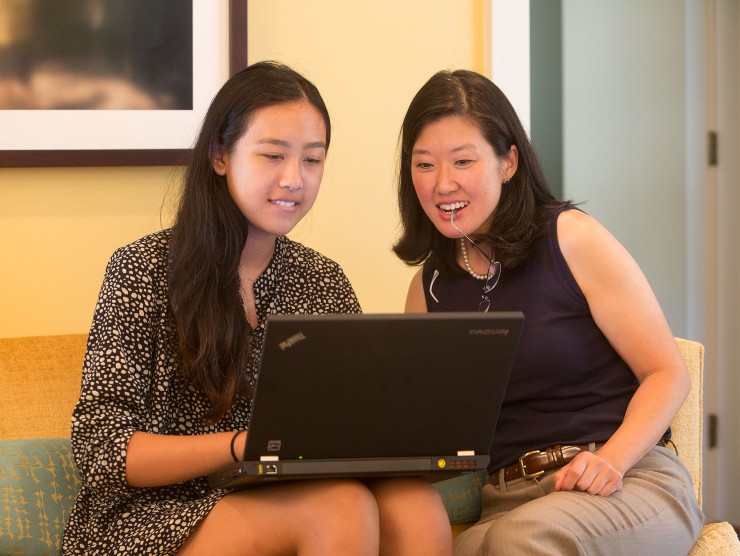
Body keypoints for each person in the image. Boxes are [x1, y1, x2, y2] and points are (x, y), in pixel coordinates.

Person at [62, 61, 453, 556]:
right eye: (273, 155)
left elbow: (348, 424)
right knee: (341, 507)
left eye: (313, 161)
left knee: (413, 505)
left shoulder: (323, 283)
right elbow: (102, 449)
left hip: (273, 494)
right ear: (220, 155)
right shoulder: (142, 270)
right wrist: (244, 445)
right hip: (149, 515)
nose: (294, 179)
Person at [393, 69, 705, 555]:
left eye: (463, 161)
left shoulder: (570, 238)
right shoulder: (427, 289)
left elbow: (668, 373)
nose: (443, 184)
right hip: (507, 502)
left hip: (626, 479)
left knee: (521, 540)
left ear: (508, 162)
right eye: (425, 165)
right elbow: (436, 432)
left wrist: (614, 460)